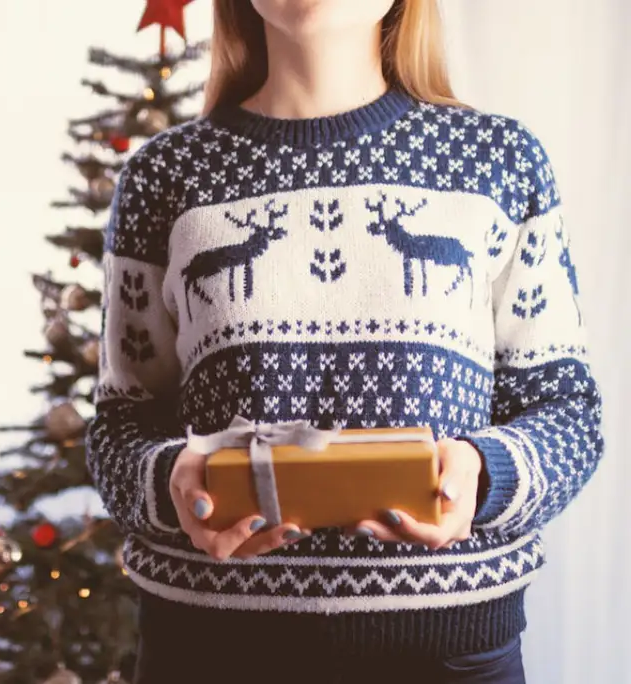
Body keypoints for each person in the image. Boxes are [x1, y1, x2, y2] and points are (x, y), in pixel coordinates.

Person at [86, 0, 604, 682]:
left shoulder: (500, 162)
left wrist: (483, 475)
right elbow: (119, 423)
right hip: (208, 648)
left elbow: (569, 410)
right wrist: (168, 482)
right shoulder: (165, 176)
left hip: (445, 653)